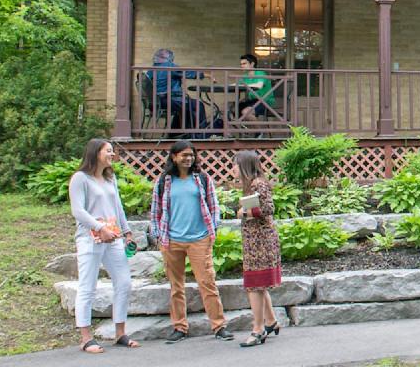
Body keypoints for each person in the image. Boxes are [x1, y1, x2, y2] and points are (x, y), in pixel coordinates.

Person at [148, 140, 232, 344]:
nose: (188, 158)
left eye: (191, 155)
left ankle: (219, 326)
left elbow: (214, 206)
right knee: (176, 286)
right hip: (171, 240)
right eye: (184, 155)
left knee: (207, 282)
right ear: (174, 157)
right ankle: (179, 327)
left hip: (199, 239)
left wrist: (212, 229)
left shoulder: (202, 179)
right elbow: (156, 210)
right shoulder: (164, 181)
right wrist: (159, 235)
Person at [68, 138, 140, 353]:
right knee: (87, 286)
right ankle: (86, 338)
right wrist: (99, 227)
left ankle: (120, 333)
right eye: (108, 151)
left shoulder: (110, 179)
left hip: (114, 237)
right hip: (90, 238)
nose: (112, 155)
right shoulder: (80, 179)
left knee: (124, 282)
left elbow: (117, 206)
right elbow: (78, 211)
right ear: (95, 153)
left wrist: (127, 232)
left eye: (113, 151)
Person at [232, 151, 283, 347]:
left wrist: (244, 211)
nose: (233, 169)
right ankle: (271, 321)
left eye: (235, 165)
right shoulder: (252, 185)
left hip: (260, 243)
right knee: (257, 282)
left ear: (244, 166)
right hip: (255, 241)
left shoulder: (258, 184)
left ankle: (258, 329)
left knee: (254, 285)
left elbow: (269, 208)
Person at [148, 49, 211, 134]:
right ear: (170, 58)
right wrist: (207, 75)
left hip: (155, 102)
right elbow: (189, 73)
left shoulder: (151, 69)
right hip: (168, 99)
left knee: (185, 106)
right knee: (198, 105)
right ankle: (201, 134)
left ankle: (176, 134)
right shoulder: (170, 66)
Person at [235, 54, 276, 122]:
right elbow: (237, 85)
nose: (242, 66)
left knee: (246, 112)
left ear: (252, 64)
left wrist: (244, 85)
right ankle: (243, 131)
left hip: (264, 101)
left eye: (244, 63)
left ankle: (259, 132)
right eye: (241, 64)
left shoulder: (260, 73)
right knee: (231, 109)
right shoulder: (245, 76)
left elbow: (259, 85)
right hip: (253, 101)